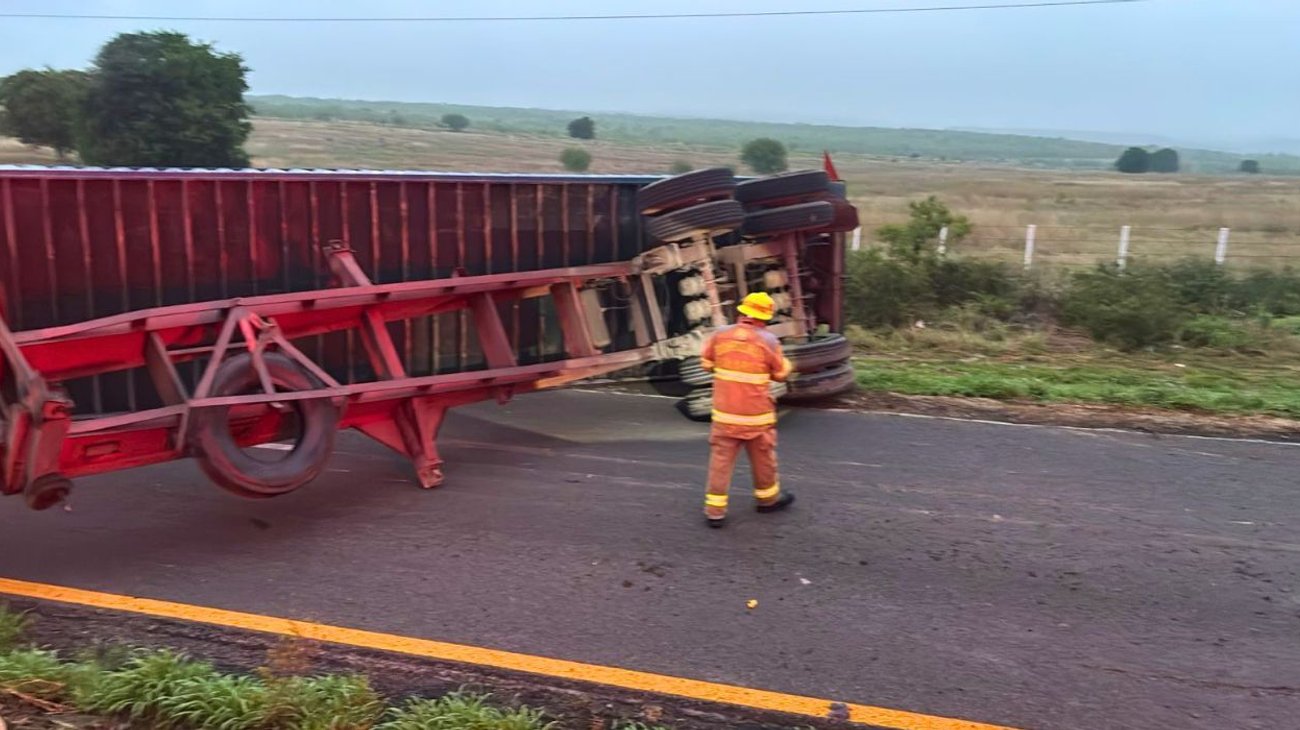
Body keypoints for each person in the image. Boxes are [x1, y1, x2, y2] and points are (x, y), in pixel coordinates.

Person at [698, 291, 796, 528]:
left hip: (724, 415)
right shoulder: (769, 341)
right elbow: (781, 374)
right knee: (763, 460)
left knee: (720, 462)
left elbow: (706, 364)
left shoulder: (720, 335)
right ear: (765, 318)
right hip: (756, 417)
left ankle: (715, 512)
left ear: (742, 312)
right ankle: (767, 500)